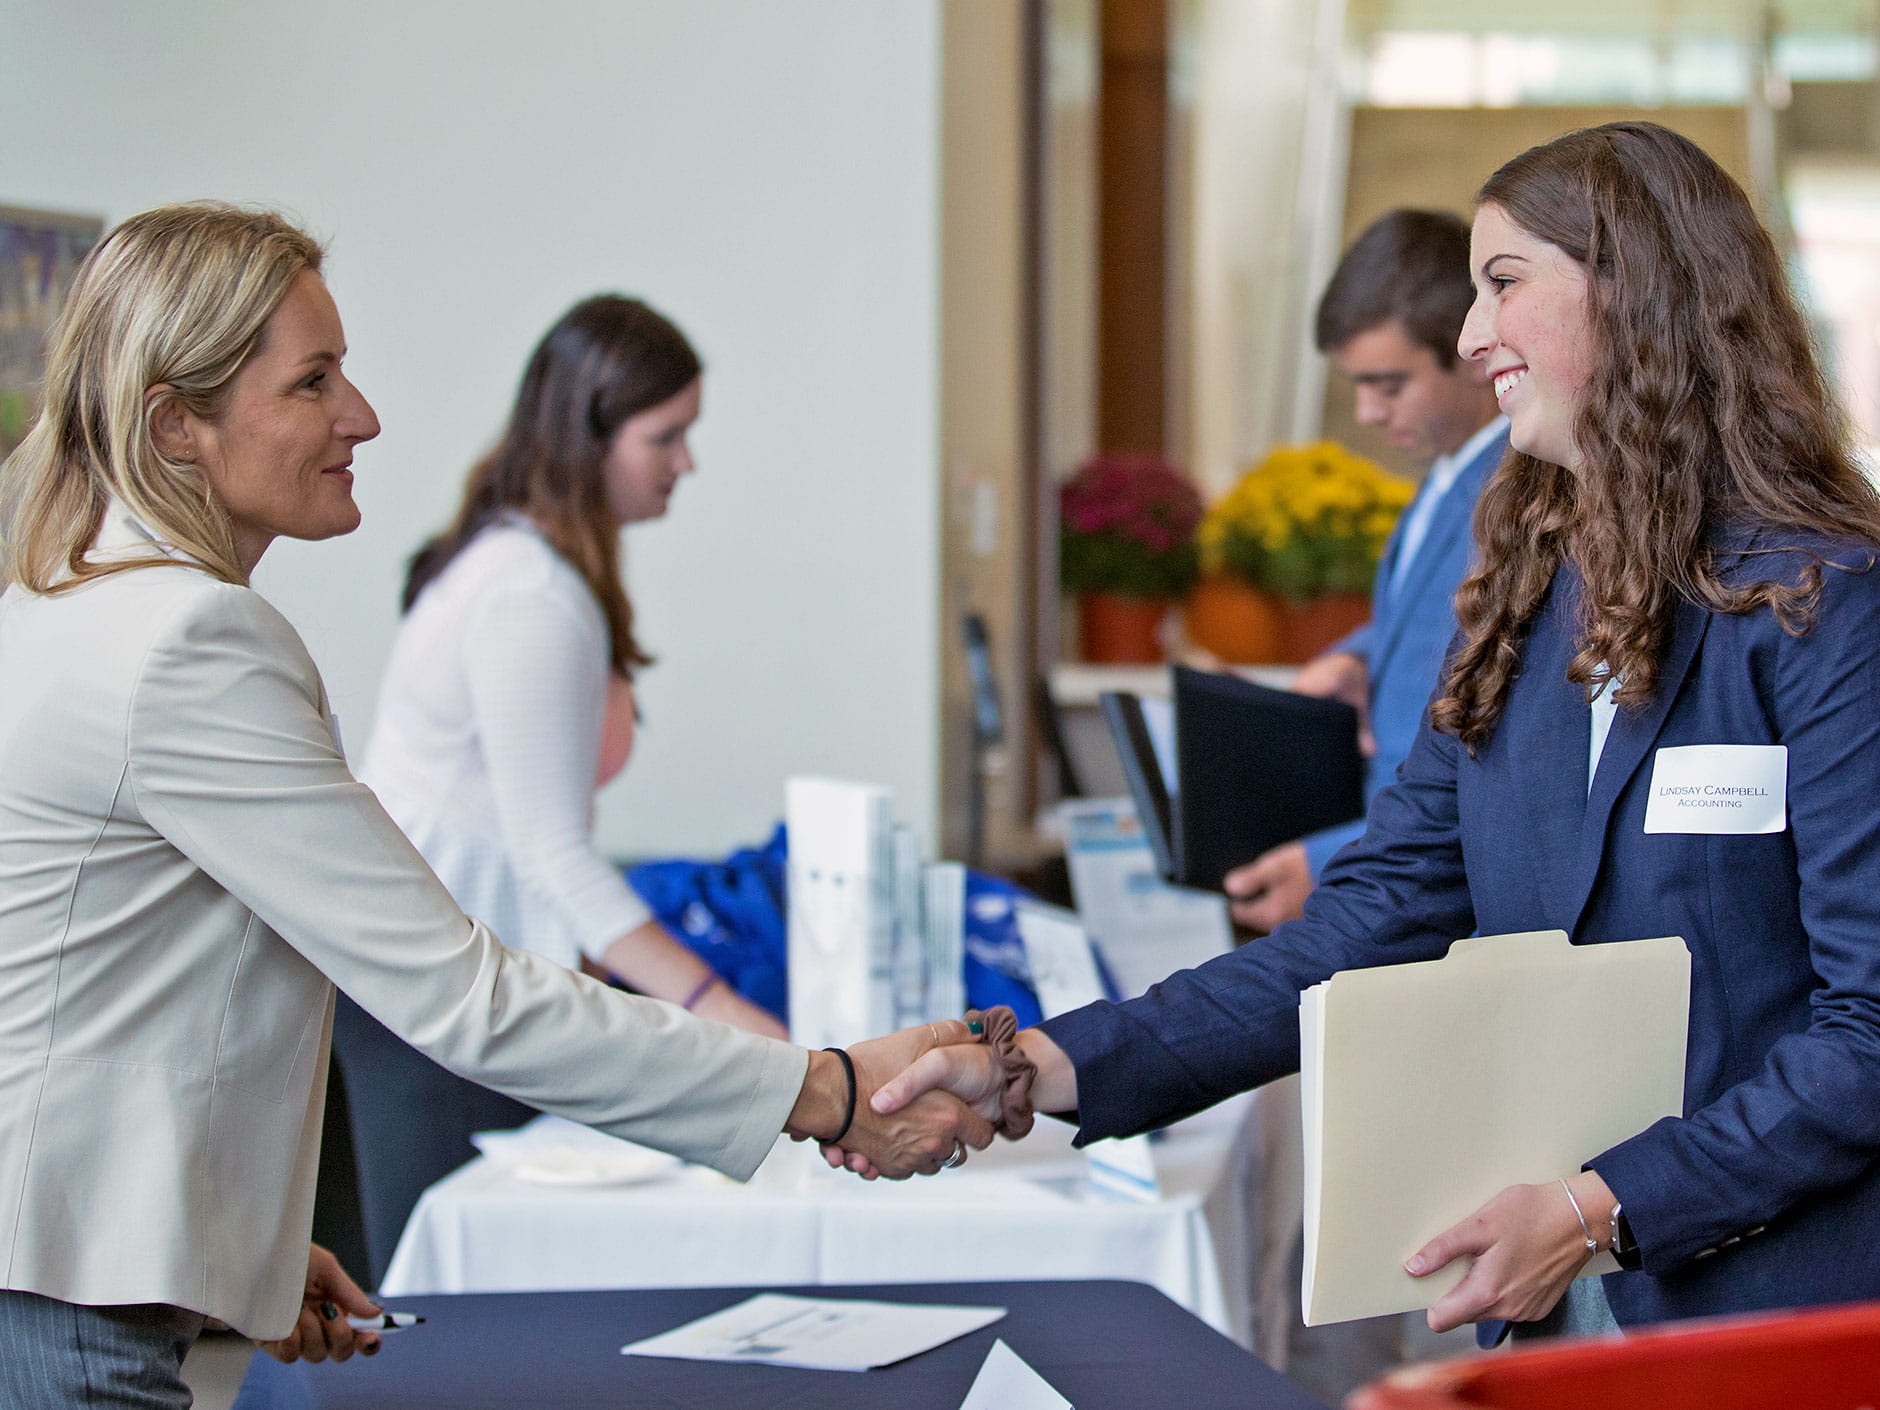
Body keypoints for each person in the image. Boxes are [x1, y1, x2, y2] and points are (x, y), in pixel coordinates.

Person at [867, 122, 1880, 1339]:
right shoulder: (1521, 601)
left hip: (1770, 1320)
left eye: (1502, 283)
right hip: (1553, 1310)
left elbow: (1864, 1032)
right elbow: (1354, 927)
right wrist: (1041, 1064)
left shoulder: (1824, 605)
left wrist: (1596, 1207)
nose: (1467, 337)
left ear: (1642, 293)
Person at [0, 201, 989, 1407]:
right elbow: (465, 992)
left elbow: (94, 995)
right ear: (177, 425)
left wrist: (234, 1250)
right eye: (314, 383)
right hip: (54, 1302)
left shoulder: (64, 598)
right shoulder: (193, 639)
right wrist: (820, 1086)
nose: (361, 417)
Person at [332, 295, 784, 1280]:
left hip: (461, 977)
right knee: (447, 1306)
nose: (684, 462)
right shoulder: (529, 594)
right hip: (426, 994)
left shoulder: (539, 569)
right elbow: (551, 852)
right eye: (666, 436)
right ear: (591, 434)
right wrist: (729, 1018)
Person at [1224, 209, 1504, 934]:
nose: (1366, 412)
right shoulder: (1445, 481)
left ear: (1472, 350)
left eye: (1388, 384)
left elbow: (1475, 732)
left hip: (1426, 886)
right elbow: (1430, 627)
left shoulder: (1516, 498)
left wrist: (1324, 863)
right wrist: (1357, 655)